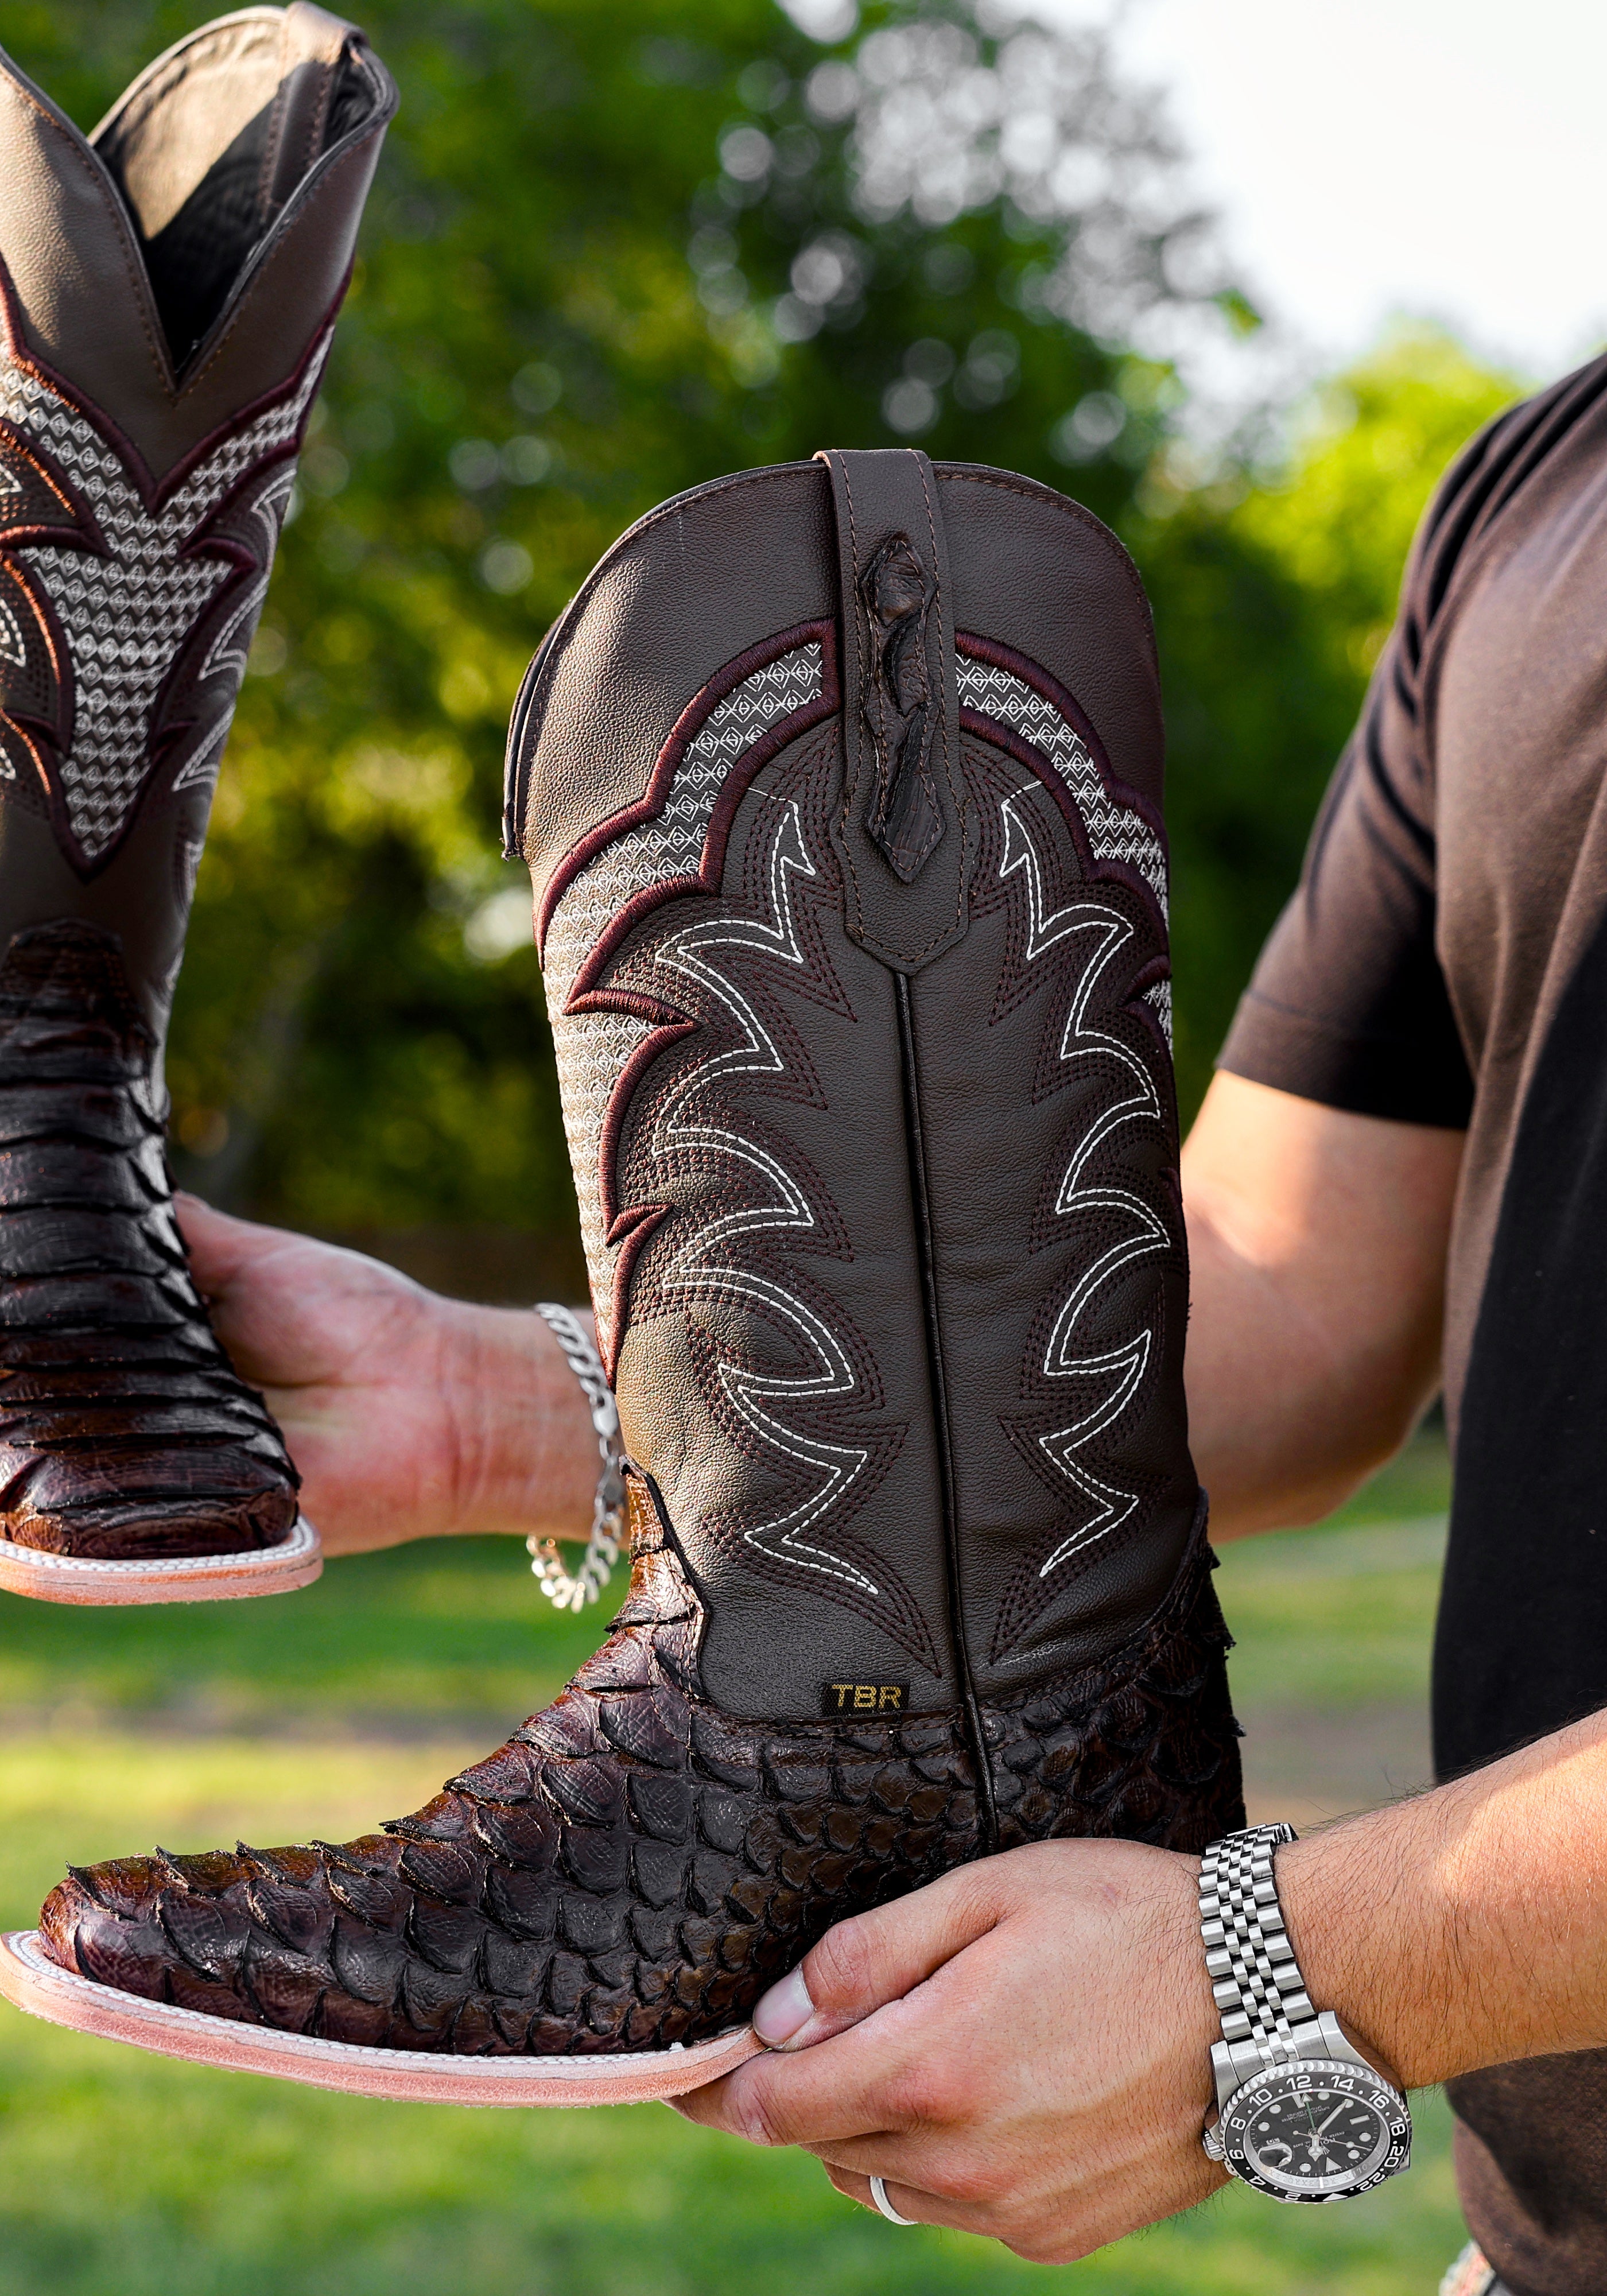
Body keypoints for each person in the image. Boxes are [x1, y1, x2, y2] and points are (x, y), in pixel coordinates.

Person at [173, 348, 1607, 2290]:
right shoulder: (1546, 497)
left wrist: (1275, 1970)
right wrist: (545, 1412)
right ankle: (866, 1723)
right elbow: (1272, 1291)